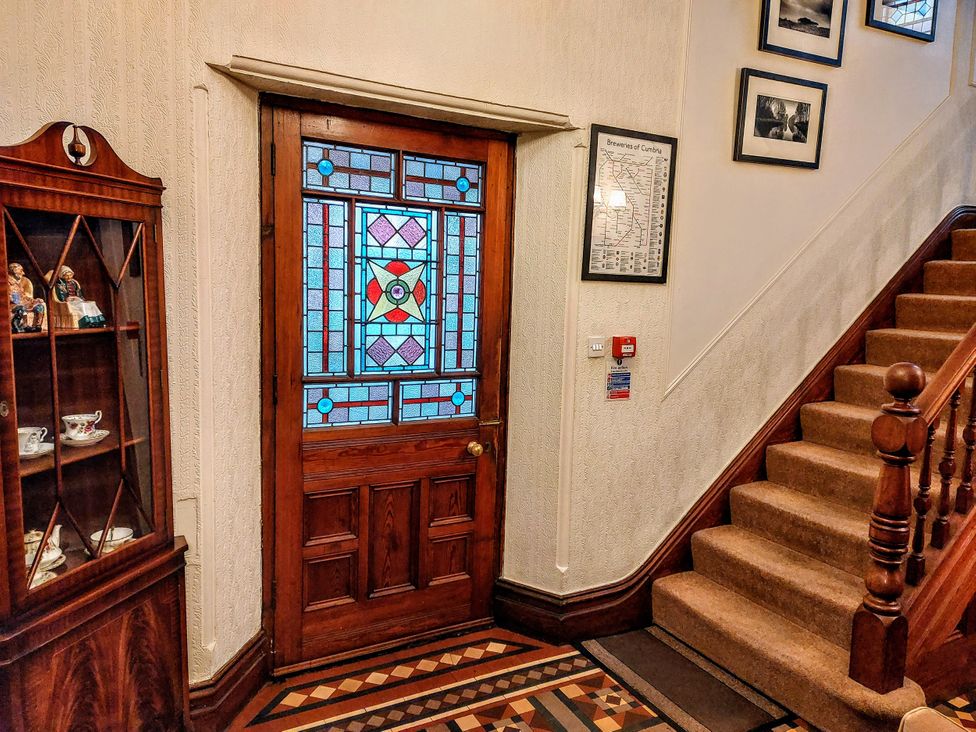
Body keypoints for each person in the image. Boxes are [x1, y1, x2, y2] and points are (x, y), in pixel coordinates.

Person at [8, 262, 45, 332]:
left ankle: (36, 326)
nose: (23, 273)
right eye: (21, 270)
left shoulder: (17, 283)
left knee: (39, 306)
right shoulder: (6, 283)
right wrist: (16, 301)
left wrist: (34, 300)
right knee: (21, 308)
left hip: (22, 303)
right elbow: (9, 298)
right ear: (14, 271)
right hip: (11, 305)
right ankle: (21, 326)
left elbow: (23, 296)